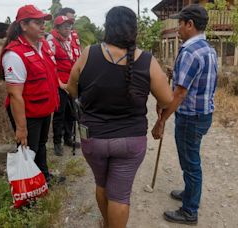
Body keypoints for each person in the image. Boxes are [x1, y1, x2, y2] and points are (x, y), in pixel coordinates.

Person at [67, 6, 173, 228]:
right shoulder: (146, 60)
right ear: (133, 30)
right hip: (130, 141)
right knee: (120, 195)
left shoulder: (89, 53)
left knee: (102, 184)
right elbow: (166, 99)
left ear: (108, 28)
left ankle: (107, 224)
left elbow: (72, 88)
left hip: (93, 138)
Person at [152, 4, 218, 225]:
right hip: (204, 114)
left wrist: (161, 120)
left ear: (190, 24)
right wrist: (176, 73)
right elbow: (193, 82)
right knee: (191, 159)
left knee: (191, 163)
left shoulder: (189, 51)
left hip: (190, 117)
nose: (178, 27)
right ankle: (190, 193)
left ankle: (190, 210)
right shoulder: (208, 48)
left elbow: (179, 94)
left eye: (180, 23)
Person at [0, 5, 60, 184]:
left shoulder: (43, 47)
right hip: (27, 112)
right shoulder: (14, 54)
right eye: (37, 22)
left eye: (43, 22)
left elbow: (50, 77)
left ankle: (44, 179)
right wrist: (21, 128)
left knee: (41, 146)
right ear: (23, 25)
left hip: (43, 108)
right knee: (28, 150)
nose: (43, 26)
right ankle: (27, 193)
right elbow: (15, 95)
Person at [47, 16, 79, 156]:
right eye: (64, 26)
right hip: (59, 83)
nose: (68, 28)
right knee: (59, 114)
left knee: (71, 113)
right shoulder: (51, 41)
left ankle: (68, 138)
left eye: (69, 25)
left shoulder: (70, 40)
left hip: (71, 82)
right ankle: (57, 142)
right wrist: (60, 84)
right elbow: (51, 65)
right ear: (57, 27)